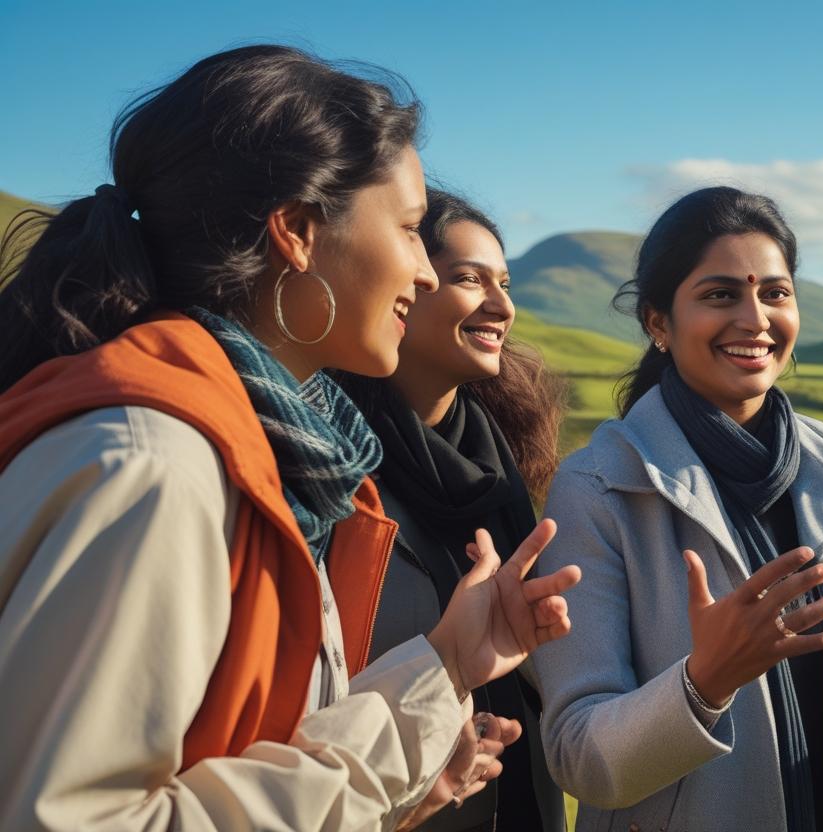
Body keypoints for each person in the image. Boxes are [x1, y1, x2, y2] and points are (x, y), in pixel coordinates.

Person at [0, 45, 579, 831]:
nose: (424, 273)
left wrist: (445, 664)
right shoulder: (155, 468)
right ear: (299, 231)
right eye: (411, 231)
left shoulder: (274, 459)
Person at [530, 186, 823, 832]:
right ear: (658, 323)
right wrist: (705, 682)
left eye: (776, 293)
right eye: (721, 295)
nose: (756, 319)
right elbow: (577, 753)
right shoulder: (598, 488)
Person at [337, 188, 568, 830]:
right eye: (470, 279)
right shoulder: (331, 468)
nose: (502, 306)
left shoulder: (501, 466)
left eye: (505, 283)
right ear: (405, 282)